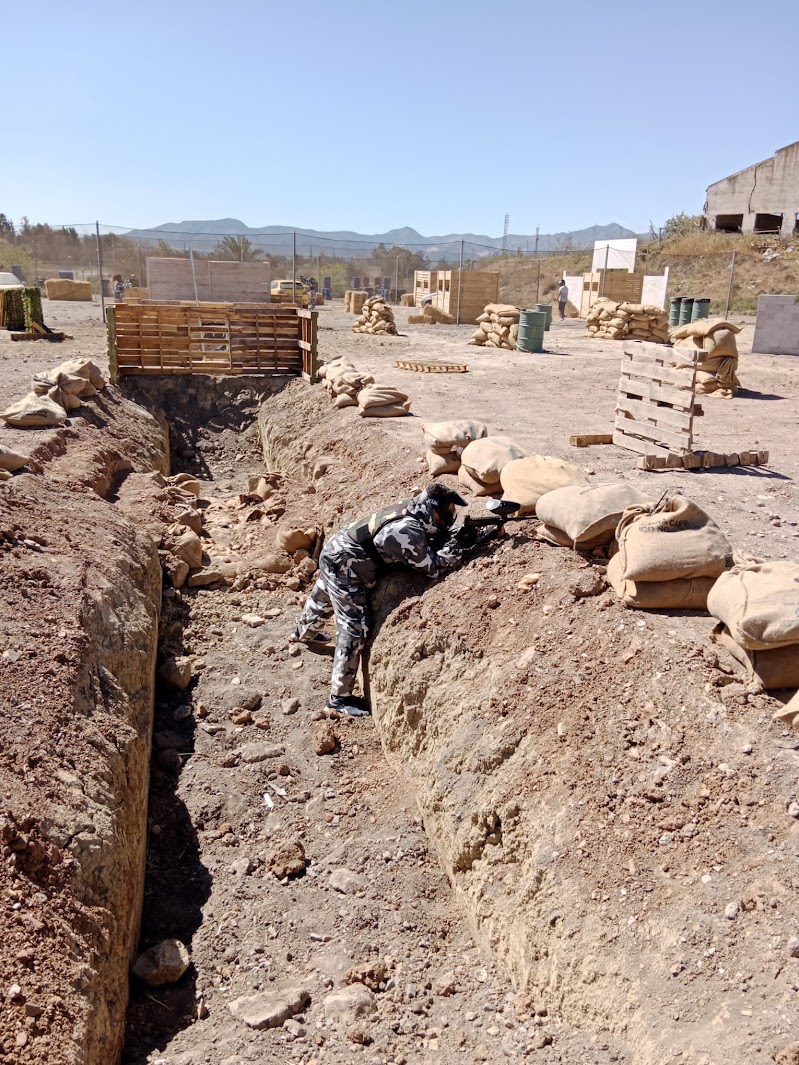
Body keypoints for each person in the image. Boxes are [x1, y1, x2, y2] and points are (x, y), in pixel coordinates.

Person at [291, 484, 493, 716]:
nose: (448, 517)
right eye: (444, 512)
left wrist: (462, 536)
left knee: (324, 592)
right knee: (354, 626)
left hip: (339, 548)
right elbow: (433, 567)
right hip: (346, 563)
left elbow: (433, 538)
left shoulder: (413, 512)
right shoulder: (405, 530)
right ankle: (338, 699)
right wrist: (459, 547)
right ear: (431, 510)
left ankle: (303, 632)